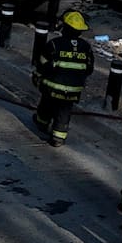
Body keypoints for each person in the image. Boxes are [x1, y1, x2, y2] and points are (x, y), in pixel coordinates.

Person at [32, 10, 94, 147]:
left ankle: (42, 123)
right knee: (64, 112)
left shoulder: (54, 44)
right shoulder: (86, 47)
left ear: (64, 28)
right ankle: (58, 137)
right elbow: (89, 69)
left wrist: (37, 77)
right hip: (73, 90)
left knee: (46, 105)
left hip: (52, 87)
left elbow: (42, 64)